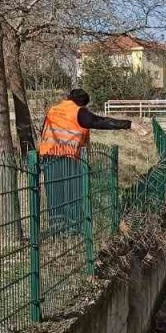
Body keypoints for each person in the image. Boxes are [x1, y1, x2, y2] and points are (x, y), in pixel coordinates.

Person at [37, 88, 135, 233]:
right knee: (74, 193)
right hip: (67, 157)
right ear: (83, 103)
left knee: (55, 194)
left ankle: (56, 228)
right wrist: (128, 124)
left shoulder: (54, 110)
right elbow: (100, 121)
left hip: (48, 157)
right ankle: (74, 229)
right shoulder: (79, 112)